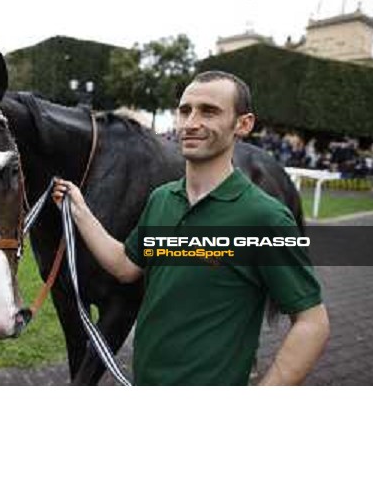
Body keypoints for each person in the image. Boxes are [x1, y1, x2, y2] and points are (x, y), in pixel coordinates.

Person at [53, 71, 330, 386]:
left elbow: (312, 322)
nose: (190, 123)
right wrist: (80, 209)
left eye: (209, 111)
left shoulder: (265, 218)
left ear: (243, 124)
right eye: (185, 110)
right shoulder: (161, 200)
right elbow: (125, 267)